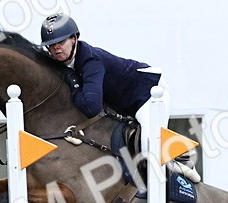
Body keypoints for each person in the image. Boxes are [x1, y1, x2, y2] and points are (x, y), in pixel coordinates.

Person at [39, 13, 169, 123]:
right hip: (123, 103)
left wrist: (74, 84)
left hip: (148, 93)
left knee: (151, 145)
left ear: (74, 39)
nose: (56, 48)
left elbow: (92, 108)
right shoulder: (58, 61)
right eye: (51, 44)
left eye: (61, 42)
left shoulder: (91, 61)